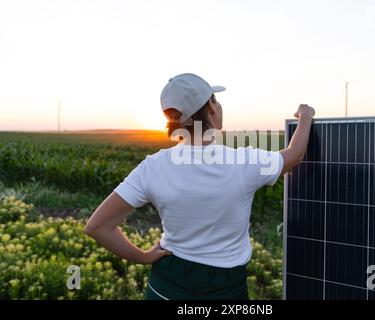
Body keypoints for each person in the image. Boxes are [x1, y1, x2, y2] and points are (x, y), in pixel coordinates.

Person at [84, 73, 315, 300]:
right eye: (215, 99)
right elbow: (295, 155)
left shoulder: (153, 167)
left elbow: (98, 226)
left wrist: (143, 257)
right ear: (211, 108)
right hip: (226, 287)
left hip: (165, 285)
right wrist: (305, 116)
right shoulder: (245, 162)